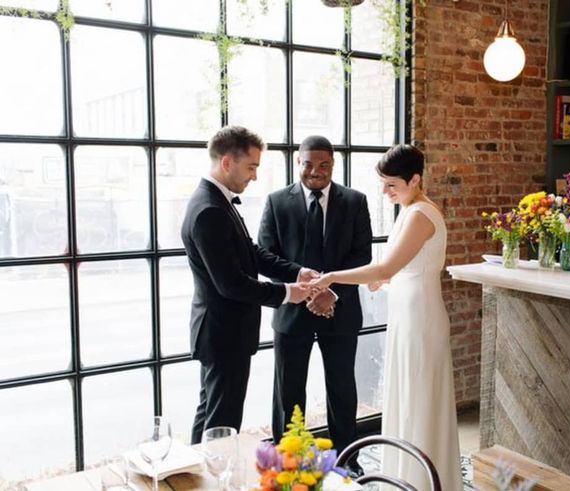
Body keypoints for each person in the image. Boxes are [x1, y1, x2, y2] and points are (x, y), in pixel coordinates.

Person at [308, 144, 463, 490]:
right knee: (407, 399)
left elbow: (388, 264)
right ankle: (406, 476)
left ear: (416, 179)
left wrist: (332, 276)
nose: (385, 191)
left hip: (420, 319)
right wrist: (386, 278)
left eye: (391, 184)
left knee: (419, 401)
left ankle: (422, 480)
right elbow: (402, 266)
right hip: (408, 314)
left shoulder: (421, 214)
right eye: (383, 183)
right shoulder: (410, 209)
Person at [181, 126, 314, 444]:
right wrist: (286, 293)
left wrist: (296, 273)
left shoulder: (218, 202)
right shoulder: (210, 210)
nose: (254, 176)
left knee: (211, 413)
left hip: (223, 332)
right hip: (223, 333)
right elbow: (231, 284)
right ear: (227, 162)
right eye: (251, 167)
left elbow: (250, 254)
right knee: (222, 422)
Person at [258, 135, 372, 470]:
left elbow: (361, 256)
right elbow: (266, 257)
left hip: (341, 310)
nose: (315, 171)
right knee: (288, 393)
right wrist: (308, 290)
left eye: (323, 165)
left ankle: (346, 461)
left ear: (333, 164)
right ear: (298, 162)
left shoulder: (355, 201)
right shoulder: (277, 201)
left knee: (341, 390)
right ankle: (287, 462)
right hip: (292, 313)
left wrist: (330, 292)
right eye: (308, 163)